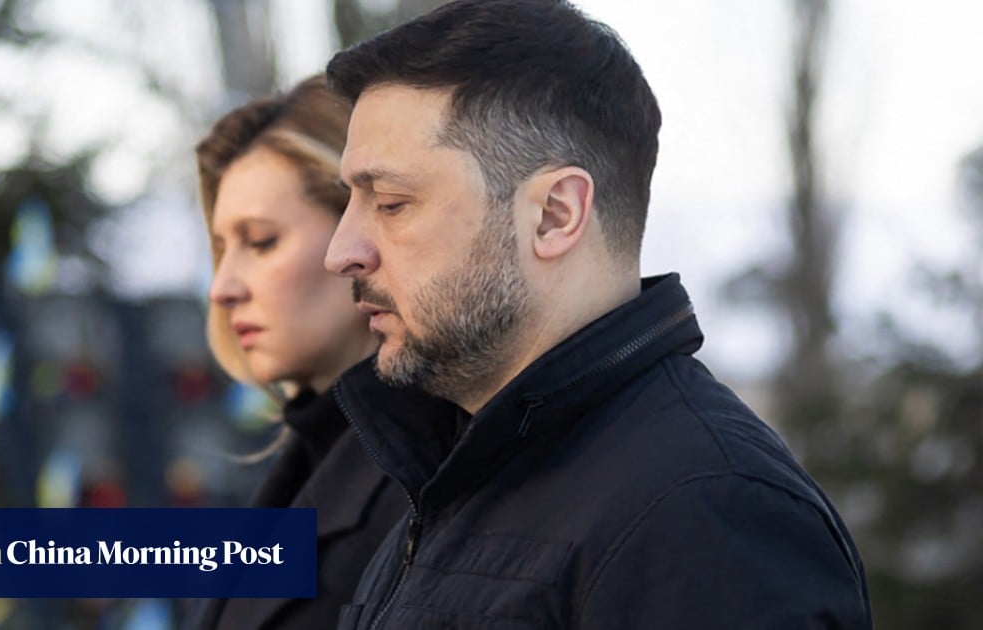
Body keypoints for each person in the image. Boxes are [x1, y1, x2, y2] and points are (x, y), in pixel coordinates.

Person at [322, 1, 873, 628]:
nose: (341, 253)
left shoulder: (703, 512)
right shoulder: (450, 475)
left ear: (555, 215)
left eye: (391, 203)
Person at [188, 75, 408, 630]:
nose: (222, 288)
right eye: (221, 249)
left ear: (358, 238)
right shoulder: (307, 464)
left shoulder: (427, 490)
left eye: (261, 241)